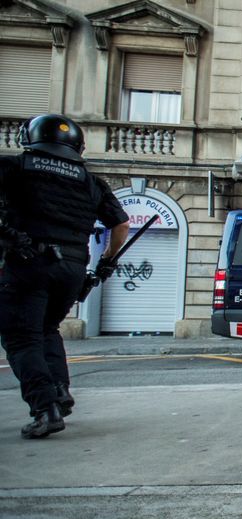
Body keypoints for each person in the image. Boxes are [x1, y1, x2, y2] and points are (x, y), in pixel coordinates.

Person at [0, 114, 129, 439]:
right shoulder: (88, 180)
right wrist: (107, 261)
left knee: (20, 337)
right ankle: (59, 391)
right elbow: (121, 224)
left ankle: (45, 408)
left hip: (28, 262)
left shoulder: (15, 167)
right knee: (47, 329)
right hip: (72, 267)